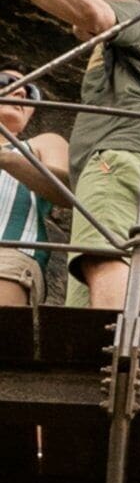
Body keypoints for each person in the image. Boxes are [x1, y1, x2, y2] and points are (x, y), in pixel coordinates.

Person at [1, 0, 140, 313]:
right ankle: (103, 360)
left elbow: (95, 14)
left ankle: (112, 356)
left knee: (103, 260)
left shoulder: (138, 17)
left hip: (122, 161)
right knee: (95, 291)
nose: (19, 91)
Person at [0, 69, 68, 308]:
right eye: (6, 83)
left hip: (8, 252)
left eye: (31, 92)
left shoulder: (43, 143)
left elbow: (67, 191)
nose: (20, 91)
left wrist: (7, 159)